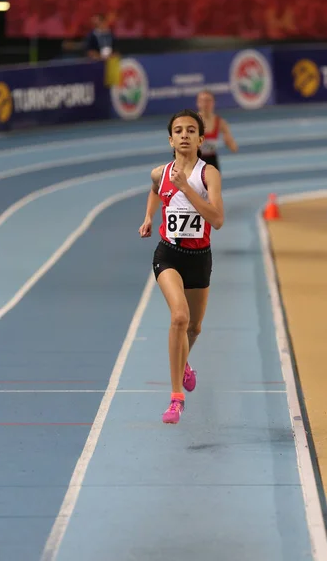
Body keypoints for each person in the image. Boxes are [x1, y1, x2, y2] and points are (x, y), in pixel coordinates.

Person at [138, 109, 224, 424]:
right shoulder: (160, 173)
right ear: (171, 139)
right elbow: (154, 190)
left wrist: (186, 188)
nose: (184, 135)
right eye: (178, 130)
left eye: (191, 130)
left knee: (194, 327)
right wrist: (149, 216)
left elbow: (217, 220)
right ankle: (176, 398)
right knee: (179, 317)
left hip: (199, 258)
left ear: (201, 139)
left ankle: (183, 360)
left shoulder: (208, 174)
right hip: (169, 254)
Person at [196, 89, 238, 172]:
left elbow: (234, 148)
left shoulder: (220, 123)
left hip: (212, 162)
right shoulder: (191, 121)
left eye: (208, 100)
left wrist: (228, 141)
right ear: (198, 103)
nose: (205, 104)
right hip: (195, 162)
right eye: (203, 101)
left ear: (213, 103)